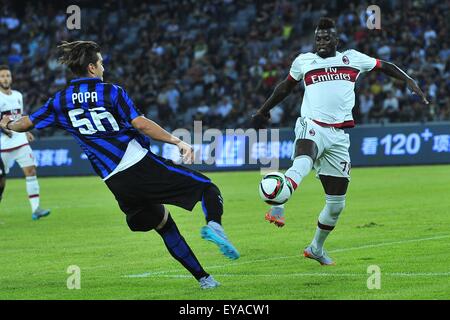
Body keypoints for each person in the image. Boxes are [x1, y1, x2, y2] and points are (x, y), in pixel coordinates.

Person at [0, 41, 240, 289]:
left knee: (164, 225)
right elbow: (141, 124)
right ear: (92, 68)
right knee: (207, 188)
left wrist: (6, 123)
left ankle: (205, 279)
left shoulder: (60, 101)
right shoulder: (112, 92)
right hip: (139, 164)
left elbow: (24, 123)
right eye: (101, 63)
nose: (103, 67)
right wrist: (177, 141)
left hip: (115, 182)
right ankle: (214, 226)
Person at [253, 17, 428, 265]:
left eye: (326, 38)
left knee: (336, 204)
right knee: (303, 159)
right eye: (318, 38)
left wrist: (409, 80)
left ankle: (315, 247)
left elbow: (384, 65)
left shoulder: (352, 58)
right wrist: (263, 110)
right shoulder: (304, 61)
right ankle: (278, 200)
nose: (321, 42)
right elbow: (284, 87)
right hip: (311, 124)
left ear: (337, 40)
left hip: (338, 137)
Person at [0, 65, 51, 220]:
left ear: (11, 78)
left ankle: (36, 209)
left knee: (31, 171)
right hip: (3, 145)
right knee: (1, 184)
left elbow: (19, 117)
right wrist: (4, 129)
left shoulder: (18, 95)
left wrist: (26, 130)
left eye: (7, 75)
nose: (5, 78)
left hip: (20, 141)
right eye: (2, 76)